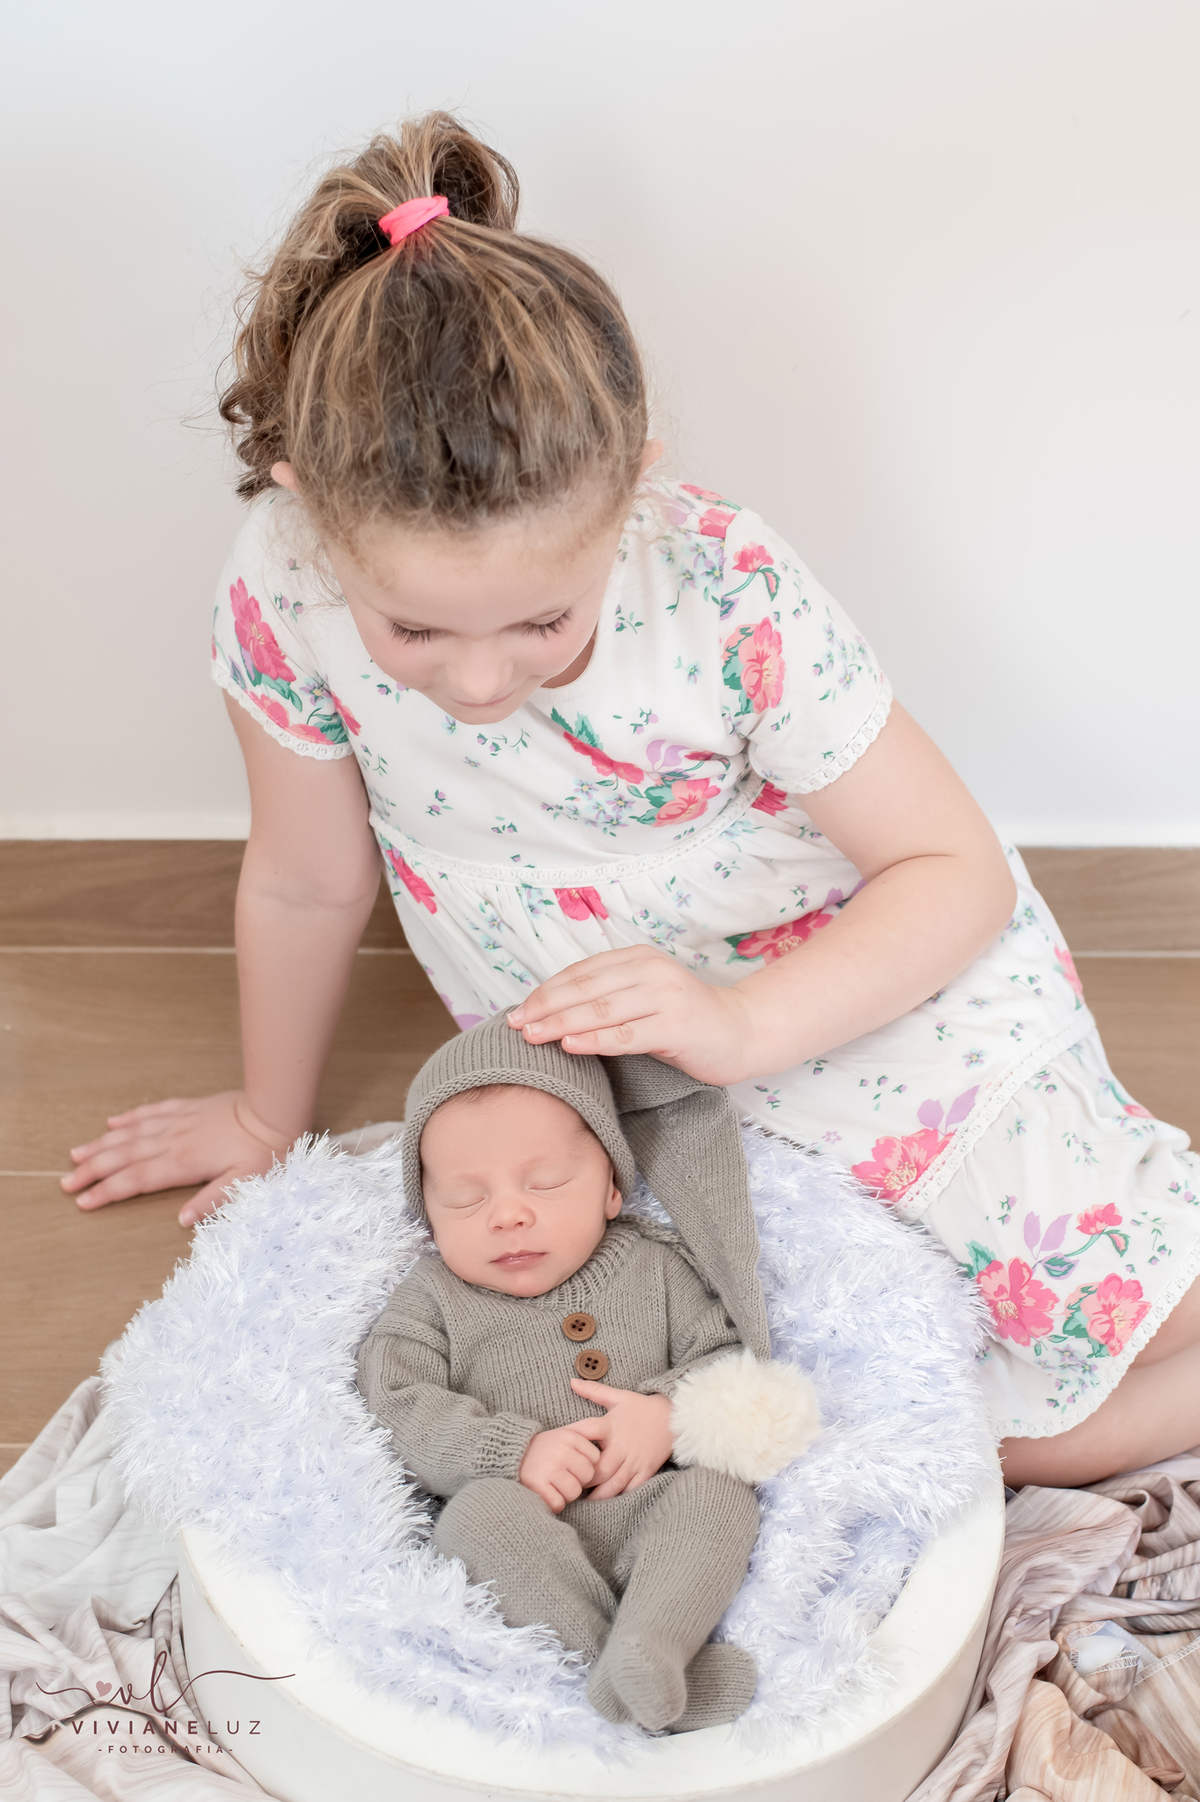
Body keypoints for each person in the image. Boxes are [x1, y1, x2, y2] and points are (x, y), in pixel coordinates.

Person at [62, 113, 1200, 1489]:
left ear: (633, 485)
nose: (479, 683)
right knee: (878, 1416)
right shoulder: (283, 577)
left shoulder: (722, 585)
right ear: (309, 507)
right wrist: (264, 1117)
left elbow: (949, 870)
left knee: (1135, 1328)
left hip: (866, 993)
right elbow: (307, 879)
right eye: (413, 631)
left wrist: (743, 1022)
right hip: (635, 1064)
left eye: (544, 622)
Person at [356, 1013, 817, 1732]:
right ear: (428, 1216)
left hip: (651, 1508)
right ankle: (638, 1669)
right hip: (524, 1524)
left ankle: (653, 1640)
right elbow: (397, 1403)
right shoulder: (431, 1299)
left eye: (544, 1184)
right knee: (474, 1519)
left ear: (609, 1188)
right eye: (466, 1199)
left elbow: (727, 1354)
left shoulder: (655, 1267)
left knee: (718, 1496)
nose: (508, 1215)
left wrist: (667, 1413)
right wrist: (510, 1453)